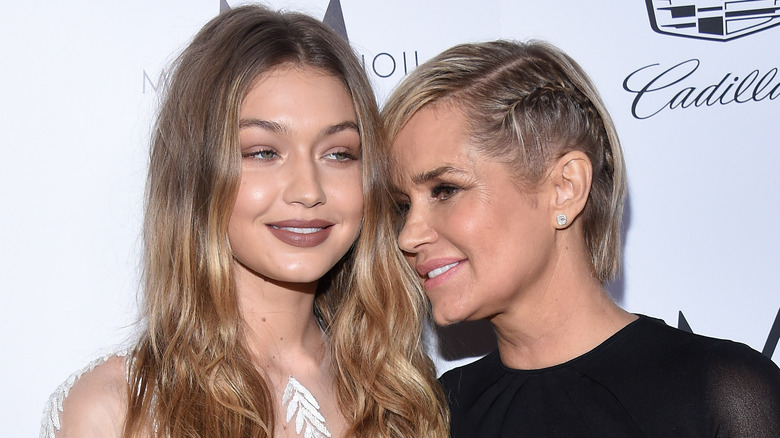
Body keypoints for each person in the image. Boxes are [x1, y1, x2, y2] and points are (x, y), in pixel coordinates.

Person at [41, 5, 448, 438]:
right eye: (263, 152)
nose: (308, 190)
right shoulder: (118, 409)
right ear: (197, 174)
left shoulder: (402, 392)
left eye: (338, 153)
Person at [382, 39, 780, 437]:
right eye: (403, 206)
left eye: (445, 190)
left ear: (564, 188)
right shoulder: (433, 417)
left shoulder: (718, 391)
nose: (409, 235)